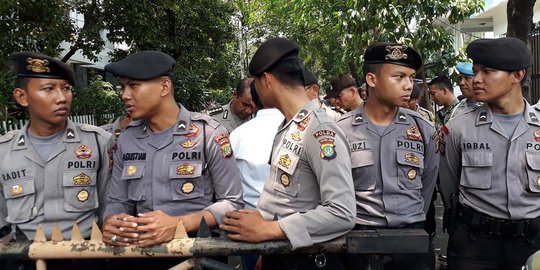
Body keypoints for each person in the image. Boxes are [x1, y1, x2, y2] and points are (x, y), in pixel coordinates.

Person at [220, 37, 356, 269]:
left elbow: (342, 212)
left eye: (256, 84)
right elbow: (284, 198)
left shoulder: (319, 131)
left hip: (307, 260)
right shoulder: (290, 126)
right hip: (283, 253)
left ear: (267, 80)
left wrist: (270, 229)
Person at [101, 51, 244, 252]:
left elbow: (232, 203)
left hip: (197, 250)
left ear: (164, 87)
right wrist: (112, 220)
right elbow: (117, 201)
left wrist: (179, 224)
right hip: (142, 252)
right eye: (123, 87)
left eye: (133, 85)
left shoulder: (207, 133)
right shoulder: (127, 139)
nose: (125, 95)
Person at [0, 52, 112, 269]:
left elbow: (110, 205)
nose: (61, 97)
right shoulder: (4, 151)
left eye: (66, 88)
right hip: (23, 257)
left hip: (84, 256)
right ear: (22, 97)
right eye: (48, 89)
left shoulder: (97, 142)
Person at [439, 37, 540, 270]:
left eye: (488, 71)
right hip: (475, 245)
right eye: (476, 72)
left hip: (531, 243)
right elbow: (449, 187)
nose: (476, 80)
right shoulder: (458, 128)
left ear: (517, 75)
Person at [337, 42, 438, 270]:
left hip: (412, 239)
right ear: (372, 80)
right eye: (399, 77)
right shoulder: (342, 131)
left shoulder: (422, 129)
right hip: (361, 240)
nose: (408, 87)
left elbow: (428, 184)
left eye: (411, 78)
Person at [229, 83, 284, 210]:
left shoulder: (237, 135)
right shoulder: (300, 129)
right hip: (292, 218)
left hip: (248, 215)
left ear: (253, 104)